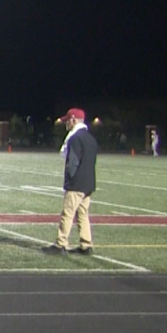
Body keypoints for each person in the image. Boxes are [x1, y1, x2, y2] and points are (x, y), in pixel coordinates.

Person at [45, 108, 97, 254]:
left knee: (68, 213)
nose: (66, 124)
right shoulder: (91, 138)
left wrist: (69, 180)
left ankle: (61, 243)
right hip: (89, 182)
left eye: (67, 121)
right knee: (82, 214)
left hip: (77, 183)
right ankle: (86, 244)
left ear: (73, 120)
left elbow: (73, 163)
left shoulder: (75, 138)